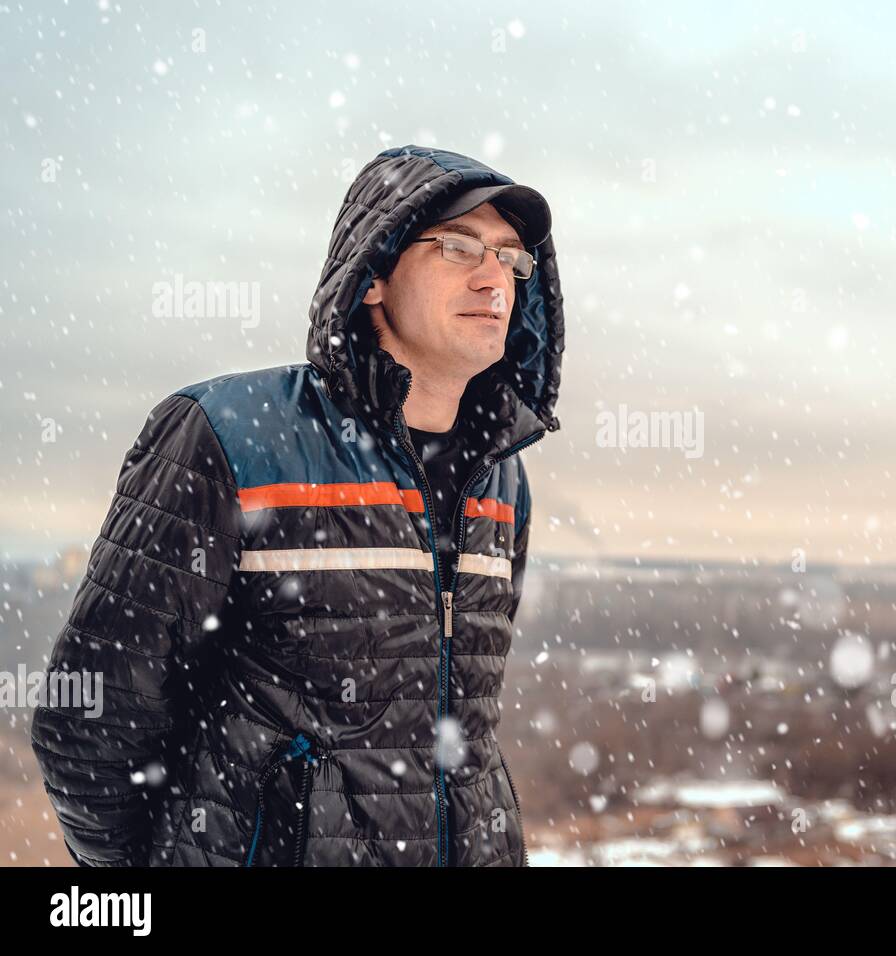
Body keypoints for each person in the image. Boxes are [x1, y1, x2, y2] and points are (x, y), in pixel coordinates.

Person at [29, 145, 564, 867]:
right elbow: (90, 714)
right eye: (458, 245)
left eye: (509, 257)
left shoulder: (500, 477)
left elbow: (462, 725)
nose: (493, 276)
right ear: (373, 276)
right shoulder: (230, 437)